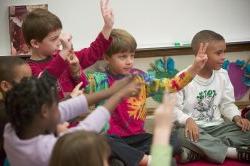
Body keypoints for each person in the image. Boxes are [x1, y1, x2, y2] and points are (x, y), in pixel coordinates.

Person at [174, 30, 250, 164]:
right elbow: (173, 110)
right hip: (195, 130)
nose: (223, 57)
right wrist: (187, 120)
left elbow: (227, 104)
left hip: (219, 128)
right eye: (218, 53)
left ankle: (197, 152)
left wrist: (236, 117)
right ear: (201, 53)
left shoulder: (223, 74)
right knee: (178, 136)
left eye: (224, 52)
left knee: (247, 132)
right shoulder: (183, 78)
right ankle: (232, 152)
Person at [22, 0, 114, 99]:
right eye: (54, 39)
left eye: (59, 36)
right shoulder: (28, 69)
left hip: (78, 112)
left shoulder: (62, 56)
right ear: (35, 43)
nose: (59, 42)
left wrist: (108, 26)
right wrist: (65, 51)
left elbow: (92, 52)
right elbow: (45, 81)